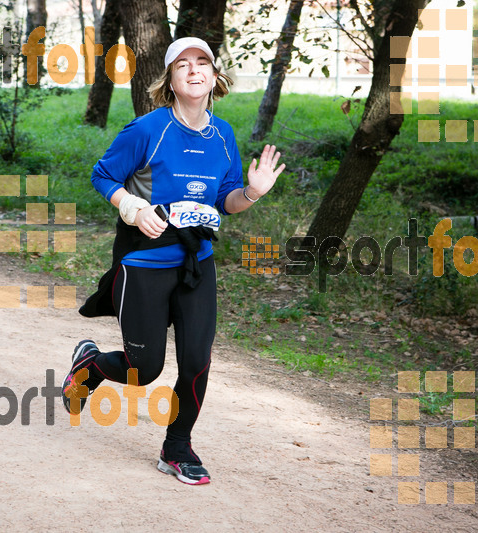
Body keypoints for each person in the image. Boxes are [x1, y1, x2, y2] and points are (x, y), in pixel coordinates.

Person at [61, 37, 285, 485]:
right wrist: (134, 209)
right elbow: (103, 175)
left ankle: (176, 448)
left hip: (196, 262)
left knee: (197, 360)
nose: (194, 69)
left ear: (215, 76)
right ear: (170, 80)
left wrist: (253, 192)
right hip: (144, 264)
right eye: (182, 64)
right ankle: (89, 366)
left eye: (203, 62)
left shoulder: (223, 135)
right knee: (145, 370)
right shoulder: (148, 129)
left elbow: (227, 199)